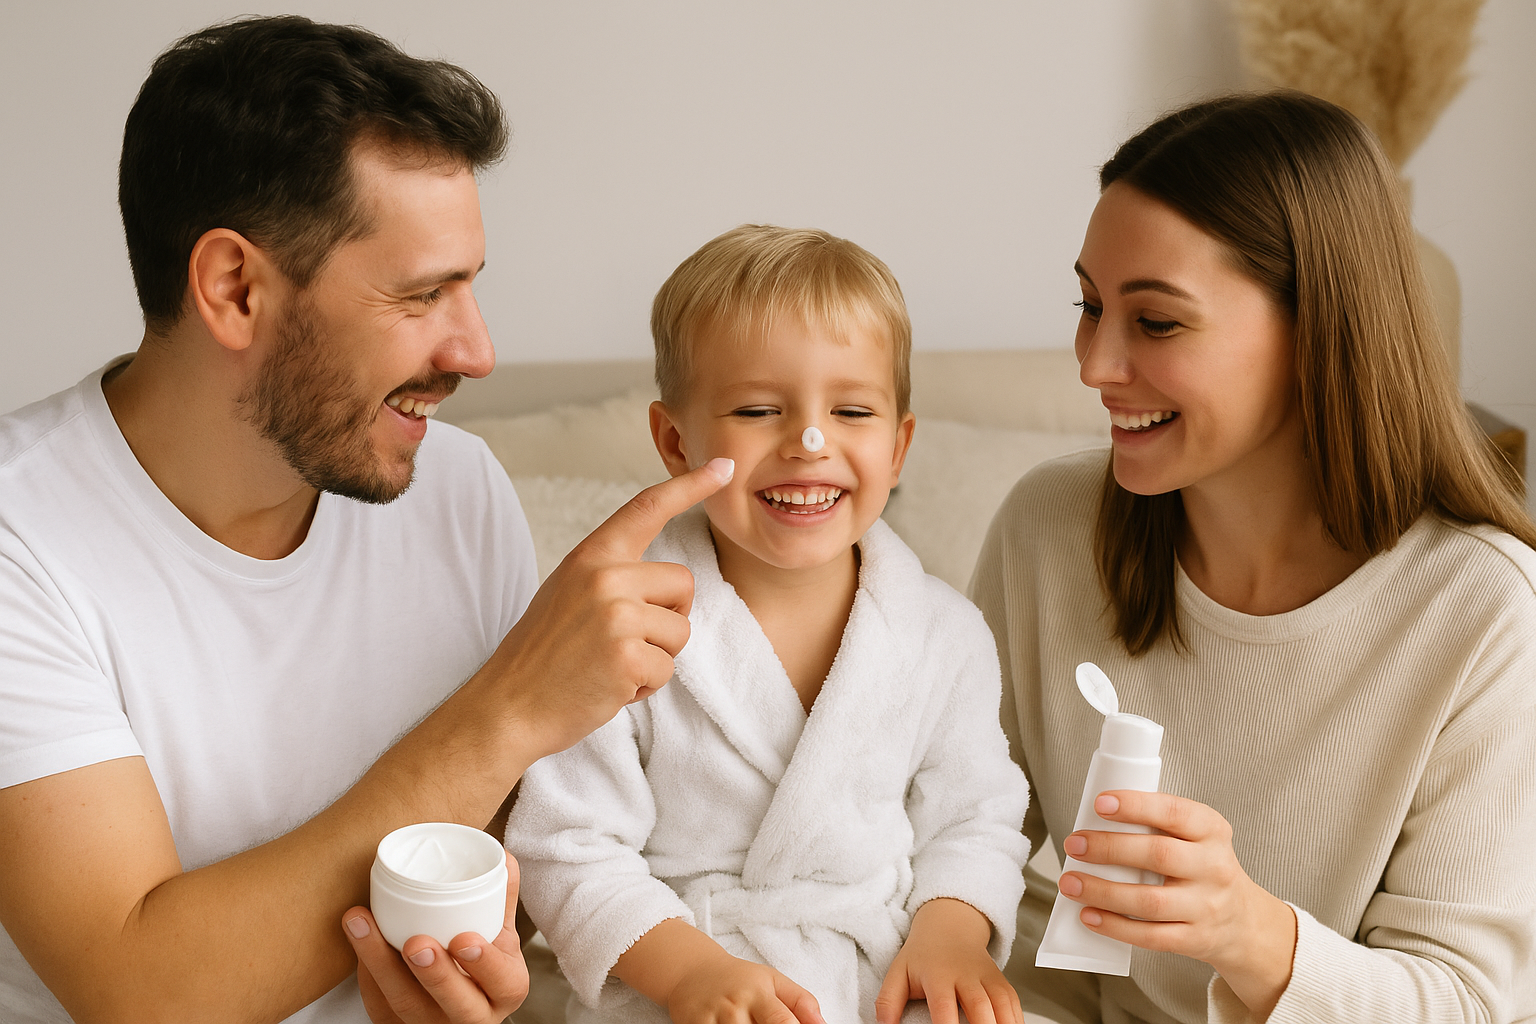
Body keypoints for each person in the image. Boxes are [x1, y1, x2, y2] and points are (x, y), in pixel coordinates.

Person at [0, 16, 731, 1024]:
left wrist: (479, 971)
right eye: (425, 293)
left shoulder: (458, 490)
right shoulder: (20, 537)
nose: (475, 351)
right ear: (234, 287)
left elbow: (494, 875)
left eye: (471, 286)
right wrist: (513, 704)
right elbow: (140, 991)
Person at [973, 91, 1536, 1024]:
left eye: (1154, 322)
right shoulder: (1050, 528)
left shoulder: (1483, 614)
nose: (1095, 364)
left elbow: (1472, 1003)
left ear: (1318, 331)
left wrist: (1247, 933)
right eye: (1090, 306)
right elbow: (947, 831)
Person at [505, 225, 1033, 1024]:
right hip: (683, 975)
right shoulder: (620, 630)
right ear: (674, 441)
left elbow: (976, 816)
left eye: (852, 410)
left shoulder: (945, 634)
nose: (809, 443)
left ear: (899, 446)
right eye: (758, 409)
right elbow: (566, 847)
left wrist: (952, 934)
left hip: (885, 975)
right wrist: (690, 974)